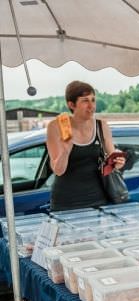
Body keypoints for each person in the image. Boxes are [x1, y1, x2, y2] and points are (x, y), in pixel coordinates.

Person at [47, 81, 125, 211]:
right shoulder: (56, 127)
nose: (92, 106)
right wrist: (66, 151)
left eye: (93, 100)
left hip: (98, 198)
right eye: (85, 101)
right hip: (65, 201)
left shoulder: (101, 126)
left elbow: (112, 163)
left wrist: (118, 162)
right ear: (71, 104)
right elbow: (58, 170)